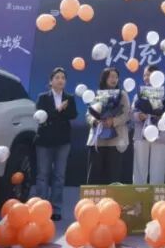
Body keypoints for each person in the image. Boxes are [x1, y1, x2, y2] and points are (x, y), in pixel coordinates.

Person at [33, 67, 77, 221]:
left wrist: (62, 111)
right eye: (57, 77)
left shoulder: (69, 98)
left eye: (63, 78)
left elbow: (73, 115)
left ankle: (56, 209)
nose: (60, 80)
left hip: (62, 141)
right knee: (43, 175)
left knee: (59, 176)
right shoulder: (43, 97)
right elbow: (41, 116)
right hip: (44, 141)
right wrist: (58, 110)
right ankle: (40, 208)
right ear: (51, 81)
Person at [85, 67, 130, 185]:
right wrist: (95, 121)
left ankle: (112, 198)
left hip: (115, 141)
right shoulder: (96, 94)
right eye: (111, 76)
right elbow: (88, 114)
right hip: (97, 141)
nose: (114, 79)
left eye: (116, 77)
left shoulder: (122, 95)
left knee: (113, 177)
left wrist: (113, 121)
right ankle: (92, 197)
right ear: (104, 78)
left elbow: (127, 114)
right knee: (94, 176)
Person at [132, 65, 165, 185]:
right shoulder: (139, 93)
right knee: (140, 166)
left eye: (148, 74)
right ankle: (139, 192)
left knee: (158, 166)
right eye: (144, 75)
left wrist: (163, 116)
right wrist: (139, 115)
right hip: (141, 133)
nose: (145, 77)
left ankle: (157, 194)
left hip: (160, 134)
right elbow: (132, 112)